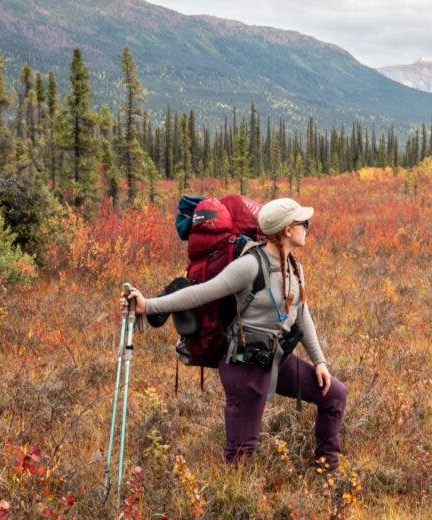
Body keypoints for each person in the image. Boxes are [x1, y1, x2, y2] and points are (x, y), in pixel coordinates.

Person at [122, 197, 347, 467]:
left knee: (334, 394)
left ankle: (327, 467)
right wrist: (148, 306)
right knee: (241, 453)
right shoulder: (250, 265)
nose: (307, 228)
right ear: (287, 230)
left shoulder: (295, 267)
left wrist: (320, 361)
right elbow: (202, 292)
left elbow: (302, 313)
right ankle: (231, 491)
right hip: (244, 366)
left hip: (276, 360)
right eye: (303, 223)